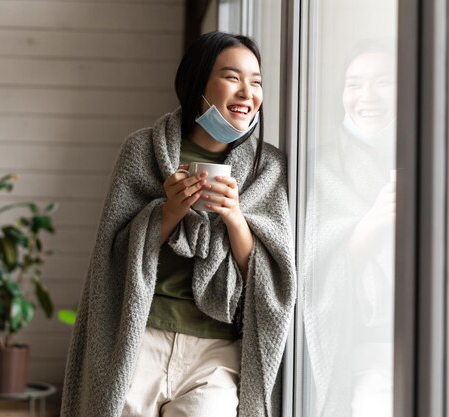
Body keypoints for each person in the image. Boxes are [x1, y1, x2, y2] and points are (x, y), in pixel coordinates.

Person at [61, 31, 296, 417]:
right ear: (197, 84)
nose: (246, 92)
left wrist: (235, 217)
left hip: (216, 352)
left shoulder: (267, 169)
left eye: (255, 82)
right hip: (141, 339)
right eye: (232, 77)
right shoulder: (143, 149)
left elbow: (272, 274)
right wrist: (168, 210)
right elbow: (111, 255)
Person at [303, 39, 396, 417]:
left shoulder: (434, 156)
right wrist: (373, 223)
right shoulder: (317, 166)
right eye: (354, 84)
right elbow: (307, 265)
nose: (367, 96)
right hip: (361, 346)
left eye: (384, 81)